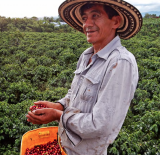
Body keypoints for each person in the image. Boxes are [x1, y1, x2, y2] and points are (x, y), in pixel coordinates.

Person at [26, 0, 143, 154]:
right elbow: (74, 95)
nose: (87, 24)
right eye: (84, 18)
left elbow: (100, 124)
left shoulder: (120, 62)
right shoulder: (86, 55)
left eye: (95, 16)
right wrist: (58, 106)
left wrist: (57, 116)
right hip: (64, 146)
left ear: (115, 21)